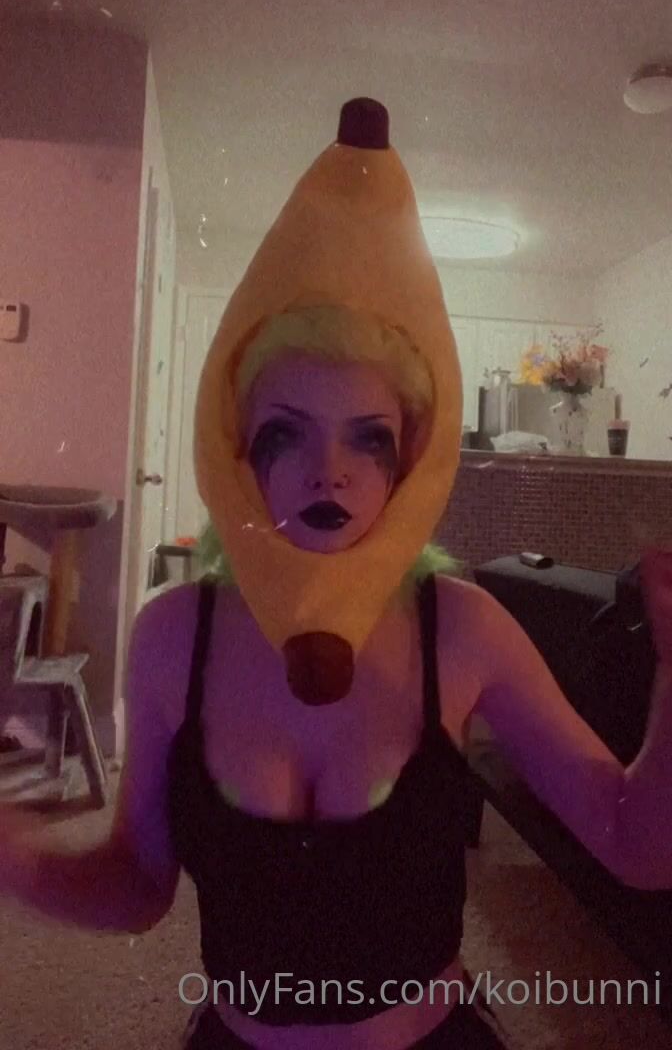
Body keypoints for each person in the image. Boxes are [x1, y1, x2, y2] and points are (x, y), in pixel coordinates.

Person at [1, 100, 672, 1050]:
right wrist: (15, 858)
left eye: (369, 438)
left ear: (410, 461)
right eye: (289, 433)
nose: (332, 473)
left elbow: (636, 844)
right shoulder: (173, 635)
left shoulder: (463, 626)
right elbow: (138, 885)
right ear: (237, 449)